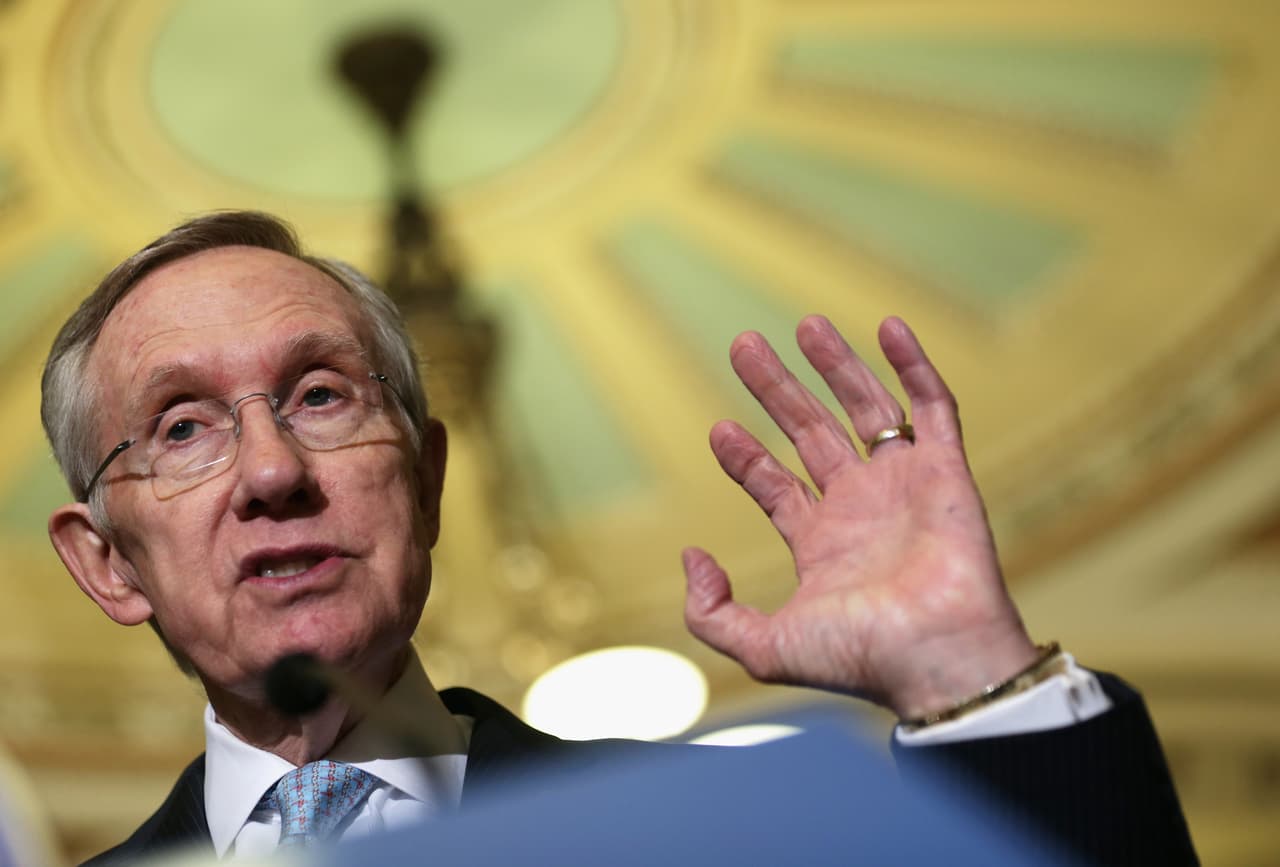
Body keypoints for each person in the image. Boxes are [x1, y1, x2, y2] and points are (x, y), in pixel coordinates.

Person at [41, 211, 1196, 865]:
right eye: (182, 427)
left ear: (429, 481)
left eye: (323, 396)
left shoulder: (734, 838)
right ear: (105, 564)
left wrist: (966, 673)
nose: (274, 471)